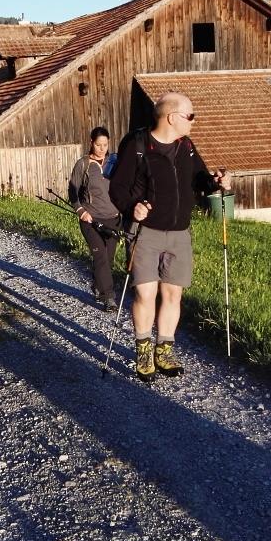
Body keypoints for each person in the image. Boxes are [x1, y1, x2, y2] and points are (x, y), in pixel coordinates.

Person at [109, 92, 231, 381]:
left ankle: (164, 351)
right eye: (191, 116)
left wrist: (216, 182)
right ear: (172, 117)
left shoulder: (186, 146)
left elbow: (199, 180)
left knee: (173, 294)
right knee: (145, 293)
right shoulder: (137, 144)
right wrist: (132, 207)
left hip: (179, 233)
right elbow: (117, 188)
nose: (193, 121)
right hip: (145, 232)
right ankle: (143, 350)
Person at [68, 126, 121, 311]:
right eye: (98, 145)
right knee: (100, 256)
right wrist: (81, 210)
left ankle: (98, 285)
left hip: (113, 218)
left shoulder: (115, 162)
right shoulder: (83, 165)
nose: (102, 148)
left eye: (105, 145)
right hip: (90, 219)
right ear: (91, 143)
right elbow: (72, 191)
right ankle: (109, 297)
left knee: (108, 259)